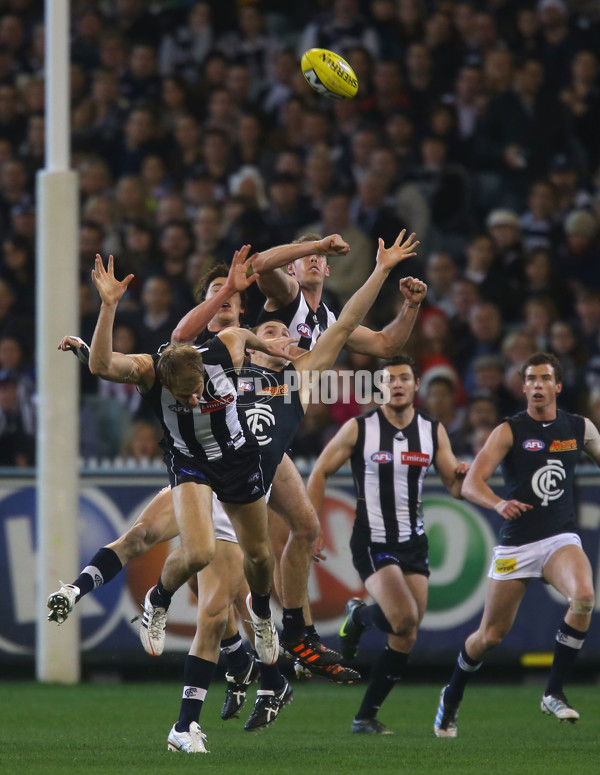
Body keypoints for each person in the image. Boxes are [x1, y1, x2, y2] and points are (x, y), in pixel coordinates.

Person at [81, 252, 294, 673]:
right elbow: (101, 364)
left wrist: (267, 345)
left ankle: (263, 613)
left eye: (199, 391)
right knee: (197, 555)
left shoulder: (227, 346)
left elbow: (244, 338)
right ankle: (158, 599)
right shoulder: (152, 370)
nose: (195, 400)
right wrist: (108, 306)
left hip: (237, 459)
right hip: (191, 466)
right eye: (184, 398)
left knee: (261, 556)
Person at [251, 232, 427, 667]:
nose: (311, 260)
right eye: (304, 256)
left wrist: (410, 306)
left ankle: (286, 645)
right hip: (253, 427)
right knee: (257, 556)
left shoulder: (328, 317)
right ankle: (278, 646)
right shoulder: (286, 296)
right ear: (293, 268)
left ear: (329, 271)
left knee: (296, 536)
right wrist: (313, 246)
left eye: (318, 258)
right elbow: (261, 263)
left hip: (279, 432)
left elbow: (387, 345)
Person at [434, 352, 599, 737]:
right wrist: (499, 502)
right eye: (531, 379)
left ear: (558, 386)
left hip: (560, 538)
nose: (538, 385)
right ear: (523, 387)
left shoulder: (579, 427)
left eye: (545, 378)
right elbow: (472, 483)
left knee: (585, 596)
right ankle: (452, 693)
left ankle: (553, 691)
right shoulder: (509, 430)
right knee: (489, 637)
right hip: (517, 546)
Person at [306, 354, 470, 735]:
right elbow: (319, 472)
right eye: (389, 380)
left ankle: (365, 716)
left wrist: (463, 476)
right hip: (372, 540)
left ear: (416, 386)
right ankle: (360, 616)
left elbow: (453, 486)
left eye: (403, 379)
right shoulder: (358, 428)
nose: (396, 385)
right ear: (378, 387)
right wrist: (312, 527)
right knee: (403, 618)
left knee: (407, 632)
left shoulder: (432, 429)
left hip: (413, 540)